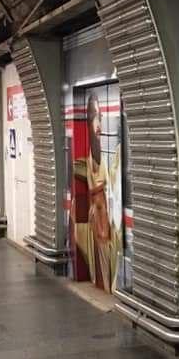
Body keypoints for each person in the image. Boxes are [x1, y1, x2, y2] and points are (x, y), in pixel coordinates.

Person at [72, 93, 122, 291]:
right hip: (98, 232)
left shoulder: (111, 159)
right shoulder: (87, 162)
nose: (98, 123)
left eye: (100, 117)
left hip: (110, 231)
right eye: (94, 117)